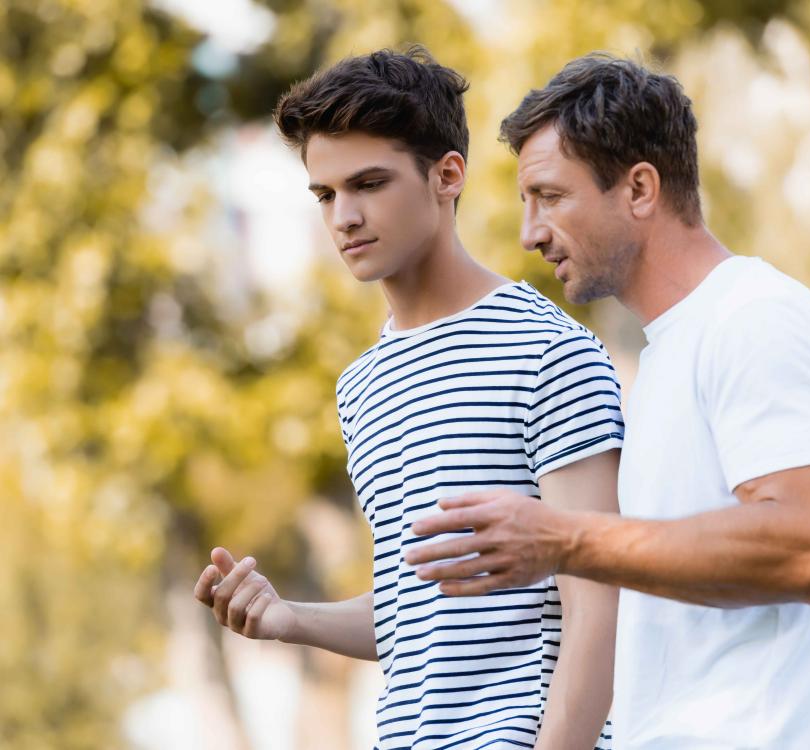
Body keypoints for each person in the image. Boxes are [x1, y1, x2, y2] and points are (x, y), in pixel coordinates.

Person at [405, 54, 810, 749]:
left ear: (639, 189)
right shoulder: (665, 359)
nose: (530, 233)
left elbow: (809, 545)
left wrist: (564, 539)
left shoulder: (757, 318)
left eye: (550, 196)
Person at [192, 47, 624, 750]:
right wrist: (289, 618)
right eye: (326, 194)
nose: (345, 217)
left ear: (447, 176)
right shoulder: (362, 385)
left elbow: (599, 604)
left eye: (369, 183)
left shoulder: (548, 350)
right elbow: (415, 614)